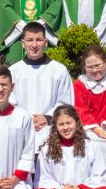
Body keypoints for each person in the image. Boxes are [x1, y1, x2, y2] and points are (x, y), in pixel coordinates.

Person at [9, 22, 74, 153]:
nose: (34, 45)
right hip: (21, 131)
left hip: (50, 131)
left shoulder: (59, 70)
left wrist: (47, 117)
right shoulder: (13, 71)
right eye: (29, 40)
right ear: (23, 43)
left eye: (39, 40)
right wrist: (27, 119)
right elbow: (9, 102)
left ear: (45, 42)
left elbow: (66, 102)